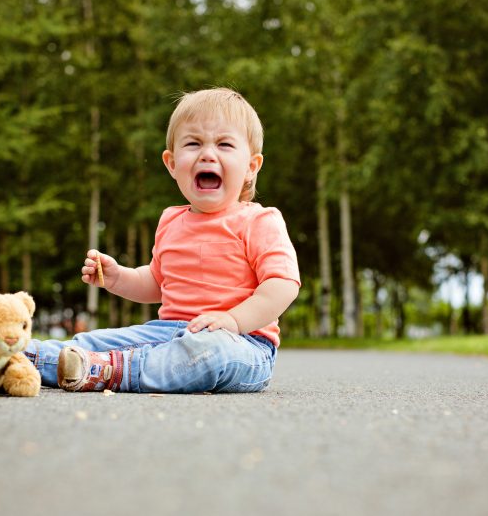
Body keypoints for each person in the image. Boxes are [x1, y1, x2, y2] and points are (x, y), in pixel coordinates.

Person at [24, 87, 300, 393]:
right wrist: (119, 278)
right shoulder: (170, 220)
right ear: (171, 163)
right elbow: (157, 282)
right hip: (165, 332)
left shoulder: (259, 220)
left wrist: (234, 320)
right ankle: (12, 358)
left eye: (224, 144)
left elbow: (282, 285)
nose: (208, 153)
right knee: (92, 340)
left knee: (211, 353)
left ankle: (112, 370)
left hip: (243, 343)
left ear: (251, 166)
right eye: (193, 143)